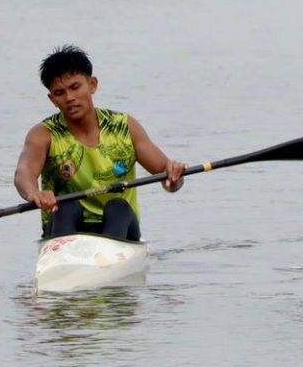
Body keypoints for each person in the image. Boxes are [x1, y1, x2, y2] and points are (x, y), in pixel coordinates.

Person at [14, 45, 185, 243]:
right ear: (52, 99)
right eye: (60, 93)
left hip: (121, 229)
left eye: (75, 87)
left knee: (118, 207)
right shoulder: (43, 134)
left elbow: (167, 178)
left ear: (92, 85)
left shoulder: (124, 127)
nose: (69, 98)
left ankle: (107, 259)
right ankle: (65, 257)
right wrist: (34, 193)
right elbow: (23, 172)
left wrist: (174, 176)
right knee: (67, 207)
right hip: (65, 228)